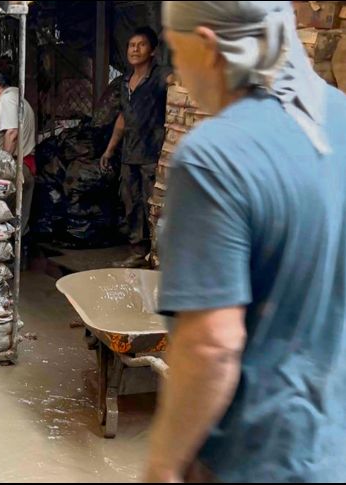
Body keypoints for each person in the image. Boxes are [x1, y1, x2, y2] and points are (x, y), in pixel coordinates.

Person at [146, 1, 346, 482]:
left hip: (254, 458)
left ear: (210, 48)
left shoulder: (214, 156)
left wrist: (163, 466)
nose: (177, 69)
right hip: (329, 448)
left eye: (176, 50)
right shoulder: (340, 120)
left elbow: (211, 345)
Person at [100, 26, 170, 268]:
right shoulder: (125, 82)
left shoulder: (162, 77)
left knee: (156, 207)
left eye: (141, 45)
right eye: (131, 45)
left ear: (152, 50)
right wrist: (110, 150)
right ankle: (138, 252)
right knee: (132, 206)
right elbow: (123, 118)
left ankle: (160, 256)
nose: (135, 49)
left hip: (155, 154)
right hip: (130, 155)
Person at [0, 69, 37, 234]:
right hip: (25, 167)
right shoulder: (20, 100)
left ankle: (13, 258)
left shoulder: (6, 100)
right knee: (19, 226)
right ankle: (20, 257)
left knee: (2, 223)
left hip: (15, 168)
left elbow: (12, 133)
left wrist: (3, 167)